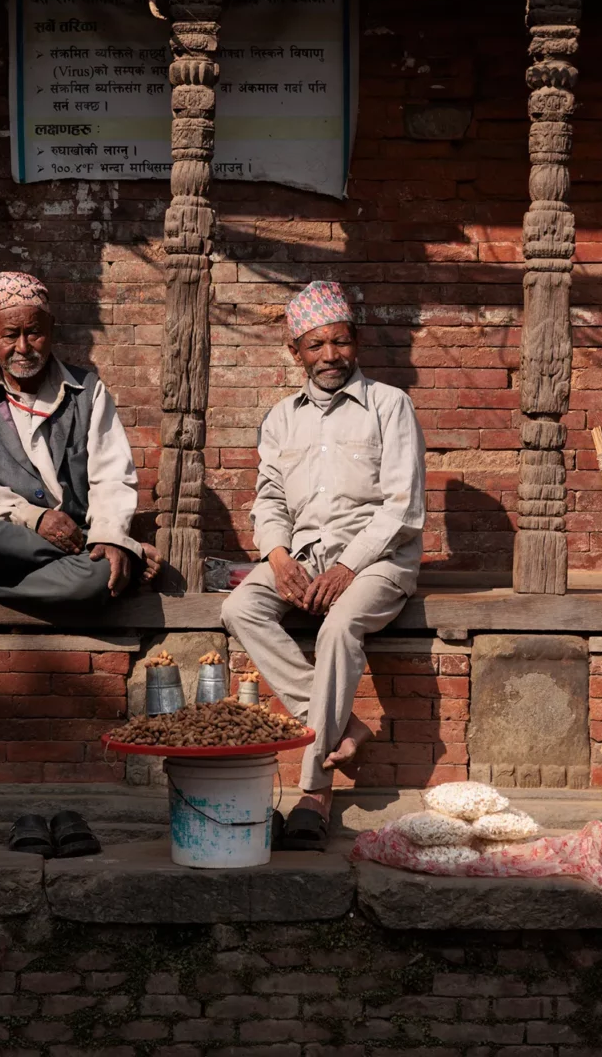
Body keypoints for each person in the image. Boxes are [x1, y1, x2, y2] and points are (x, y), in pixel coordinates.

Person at [221, 281, 425, 849]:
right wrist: (278, 556)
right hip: (305, 555)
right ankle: (343, 724)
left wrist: (350, 567)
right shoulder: (281, 418)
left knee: (338, 626)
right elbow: (268, 499)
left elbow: (402, 509)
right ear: (296, 353)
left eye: (339, 342)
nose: (330, 356)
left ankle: (315, 791)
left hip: (381, 559)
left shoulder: (390, 405)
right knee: (241, 607)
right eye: (315, 346)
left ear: (354, 343)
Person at [0, 271, 160, 605]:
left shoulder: (89, 393)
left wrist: (109, 537)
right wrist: (35, 518)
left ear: (51, 331)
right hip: (3, 540)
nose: (22, 347)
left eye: (34, 333)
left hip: (78, 540)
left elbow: (112, 476)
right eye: (10, 335)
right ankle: (70, 566)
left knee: (98, 577)